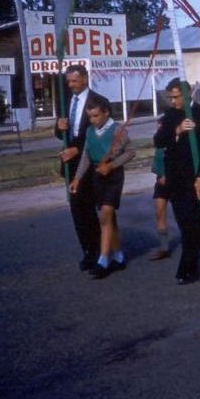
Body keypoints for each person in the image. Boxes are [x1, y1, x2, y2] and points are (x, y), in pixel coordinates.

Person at [153, 78, 200, 285]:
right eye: (170, 98)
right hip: (177, 179)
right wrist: (177, 130)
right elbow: (158, 141)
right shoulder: (170, 115)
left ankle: (188, 269)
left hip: (199, 178)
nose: (173, 101)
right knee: (187, 223)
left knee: (195, 222)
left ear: (187, 93)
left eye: (176, 97)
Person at [70, 99, 135, 279]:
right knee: (109, 217)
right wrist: (77, 178)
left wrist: (112, 165)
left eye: (96, 116)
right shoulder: (90, 131)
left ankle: (103, 260)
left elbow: (131, 152)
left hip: (113, 176)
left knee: (105, 213)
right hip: (97, 176)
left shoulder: (118, 130)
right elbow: (86, 156)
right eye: (89, 116)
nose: (92, 120)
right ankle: (119, 257)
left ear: (106, 113)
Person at [55, 64, 107, 271]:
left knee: (96, 209)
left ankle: (105, 251)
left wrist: (76, 149)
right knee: (78, 210)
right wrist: (59, 127)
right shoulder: (65, 100)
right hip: (72, 164)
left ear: (85, 78)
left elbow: (100, 133)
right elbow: (61, 134)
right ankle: (89, 251)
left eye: (74, 81)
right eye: (68, 81)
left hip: (91, 162)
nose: (71, 85)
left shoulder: (100, 101)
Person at [150, 124, 172, 261]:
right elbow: (156, 163)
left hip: (175, 181)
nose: (159, 129)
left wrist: (167, 175)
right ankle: (164, 248)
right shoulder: (159, 144)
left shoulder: (175, 142)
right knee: (159, 212)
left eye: (161, 127)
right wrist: (161, 174)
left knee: (184, 213)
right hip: (161, 182)